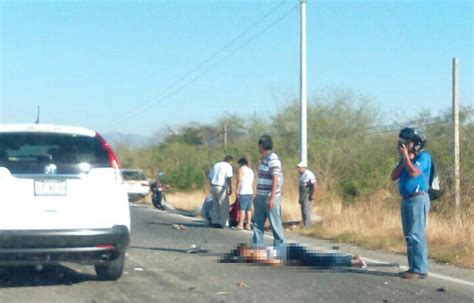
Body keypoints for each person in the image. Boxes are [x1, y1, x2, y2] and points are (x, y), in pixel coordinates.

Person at [391, 127, 431, 280]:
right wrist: (405, 159)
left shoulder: (424, 157)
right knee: (409, 235)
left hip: (418, 198)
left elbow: (414, 173)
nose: (403, 145)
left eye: (407, 142)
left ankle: (420, 269)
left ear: (415, 143)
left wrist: (407, 158)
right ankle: (413, 267)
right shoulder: (406, 159)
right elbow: (393, 175)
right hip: (406, 199)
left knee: (416, 234)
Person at [252, 135, 285, 248]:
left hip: (270, 197)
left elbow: (276, 178)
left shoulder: (273, 159)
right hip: (260, 197)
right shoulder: (264, 159)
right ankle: (257, 248)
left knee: (275, 224)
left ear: (262, 145)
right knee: (257, 224)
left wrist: (272, 198)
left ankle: (279, 249)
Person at [234, 243, 367, 268]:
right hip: (291, 249)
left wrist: (291, 263)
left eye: (243, 255)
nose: (244, 258)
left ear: (246, 251)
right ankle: (351, 258)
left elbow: (274, 262)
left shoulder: (255, 255)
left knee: (319, 261)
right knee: (318, 259)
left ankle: (352, 260)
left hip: (292, 253)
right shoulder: (256, 250)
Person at [208, 155, 233, 228]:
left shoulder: (216, 165)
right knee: (224, 205)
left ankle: (214, 221)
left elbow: (210, 176)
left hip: (214, 185)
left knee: (215, 205)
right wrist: (230, 188)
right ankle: (223, 222)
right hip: (221, 186)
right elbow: (228, 178)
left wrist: (211, 185)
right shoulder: (228, 166)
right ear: (230, 161)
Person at [235, 158, 255, 231]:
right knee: (248, 209)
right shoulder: (251, 171)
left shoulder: (241, 170)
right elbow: (252, 182)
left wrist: (237, 190)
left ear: (240, 163)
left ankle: (241, 224)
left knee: (242, 208)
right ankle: (248, 224)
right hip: (250, 191)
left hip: (243, 191)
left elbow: (239, 180)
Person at [297, 162, 317, 228]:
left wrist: (312, 194)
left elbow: (314, 185)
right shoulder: (301, 174)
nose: (298, 169)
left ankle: (307, 227)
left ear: (304, 167)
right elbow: (300, 186)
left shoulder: (309, 174)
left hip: (308, 193)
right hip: (302, 193)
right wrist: (300, 197)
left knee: (306, 210)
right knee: (303, 209)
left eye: (300, 168)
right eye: (298, 168)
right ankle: (305, 224)